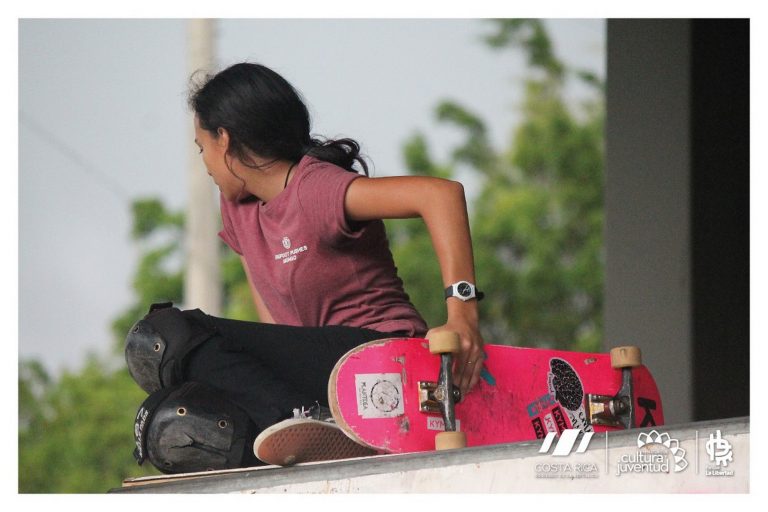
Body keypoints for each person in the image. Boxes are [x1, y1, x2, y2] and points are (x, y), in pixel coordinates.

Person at [127, 62, 486, 472]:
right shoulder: (238, 211)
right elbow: (273, 326)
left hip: (381, 355)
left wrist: (463, 316)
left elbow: (440, 195)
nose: (204, 163)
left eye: (201, 147)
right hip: (317, 381)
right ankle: (306, 437)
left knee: (163, 335)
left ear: (223, 140)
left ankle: (296, 418)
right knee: (170, 424)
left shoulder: (314, 189)